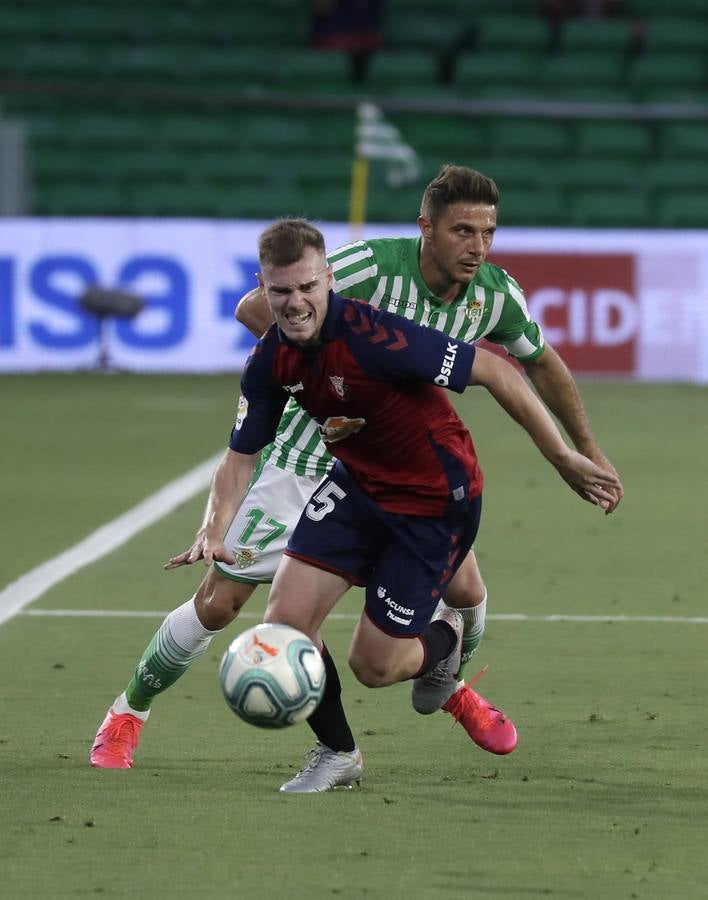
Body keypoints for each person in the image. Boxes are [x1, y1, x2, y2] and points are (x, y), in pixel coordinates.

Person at [89, 167, 622, 785]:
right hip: (306, 460)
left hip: (410, 471)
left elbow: (536, 364)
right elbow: (258, 308)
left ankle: (445, 685)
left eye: (488, 232)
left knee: (466, 596)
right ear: (427, 229)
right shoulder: (368, 266)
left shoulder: (495, 297)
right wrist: (323, 380)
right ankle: (128, 713)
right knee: (220, 603)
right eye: (463, 231)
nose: (477, 245)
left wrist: (585, 449)